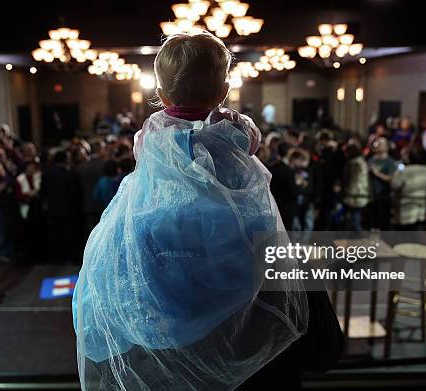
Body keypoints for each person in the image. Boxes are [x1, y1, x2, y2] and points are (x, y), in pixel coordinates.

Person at [73, 31, 328, 390]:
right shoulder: (235, 128)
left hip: (169, 221)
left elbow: (144, 159)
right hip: (228, 222)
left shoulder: (151, 131)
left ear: (160, 96)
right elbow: (251, 144)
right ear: (224, 92)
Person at [40, 150, 81, 264]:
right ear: (65, 159)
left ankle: (58, 258)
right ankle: (71, 257)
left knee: (55, 235)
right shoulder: (68, 174)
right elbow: (74, 193)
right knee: (69, 235)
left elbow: (43, 192)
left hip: (52, 210)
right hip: (68, 210)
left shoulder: (47, 173)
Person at [391, 146, 426, 230]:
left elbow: (395, 184)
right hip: (421, 202)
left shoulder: (406, 170)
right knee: (415, 229)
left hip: (407, 204)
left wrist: (398, 171)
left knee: (405, 231)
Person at [367, 137, 396, 230]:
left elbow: (391, 178)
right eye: (377, 143)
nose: (378, 144)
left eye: (380, 143)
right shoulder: (372, 159)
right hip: (371, 194)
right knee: (371, 220)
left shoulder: (389, 161)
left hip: (383, 195)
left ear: (386, 146)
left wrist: (377, 173)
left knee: (382, 219)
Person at [77, 142, 105, 236]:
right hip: (103, 205)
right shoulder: (104, 165)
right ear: (100, 150)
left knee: (90, 234)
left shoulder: (81, 167)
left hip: (87, 205)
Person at [342, 142, 369, 233]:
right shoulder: (362, 162)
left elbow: (349, 179)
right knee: (355, 215)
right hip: (362, 192)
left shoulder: (353, 163)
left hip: (353, 194)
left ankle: (356, 237)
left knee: (354, 216)